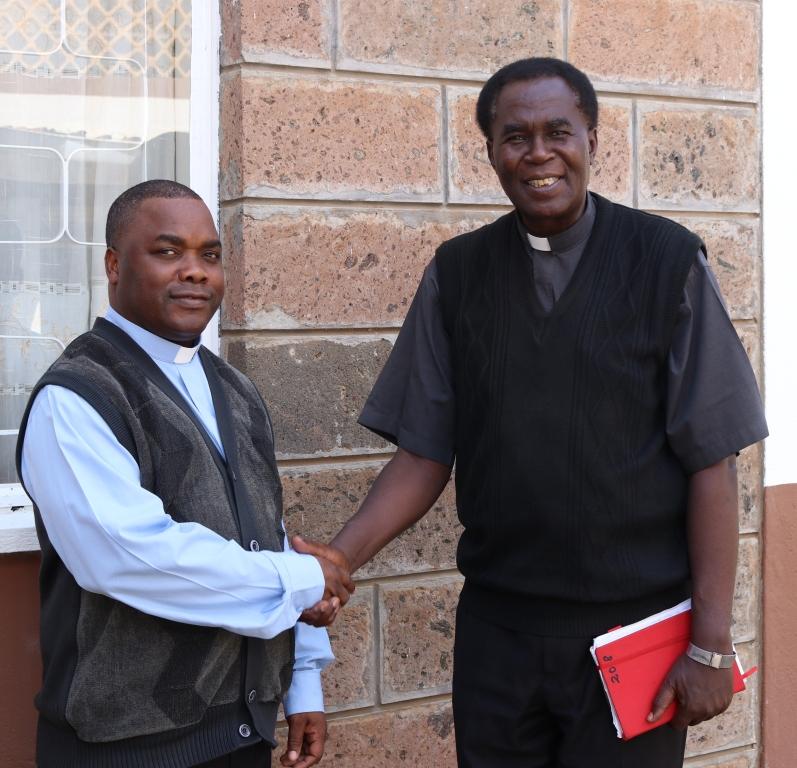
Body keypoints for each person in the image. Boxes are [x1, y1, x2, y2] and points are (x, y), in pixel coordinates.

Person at [294, 58, 769, 767]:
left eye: (558, 132)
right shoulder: (457, 274)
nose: (538, 153)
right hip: (499, 637)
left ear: (593, 140)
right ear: (488, 151)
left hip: (630, 638)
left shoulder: (665, 261)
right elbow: (425, 451)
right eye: (514, 137)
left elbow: (711, 459)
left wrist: (708, 643)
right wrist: (339, 558)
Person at [17, 180, 354, 768]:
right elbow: (128, 554)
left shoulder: (234, 390)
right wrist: (301, 579)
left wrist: (303, 682)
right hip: (124, 749)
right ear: (114, 265)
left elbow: (266, 534)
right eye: (168, 251)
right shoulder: (76, 396)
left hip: (241, 732)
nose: (196, 271)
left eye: (211, 255)